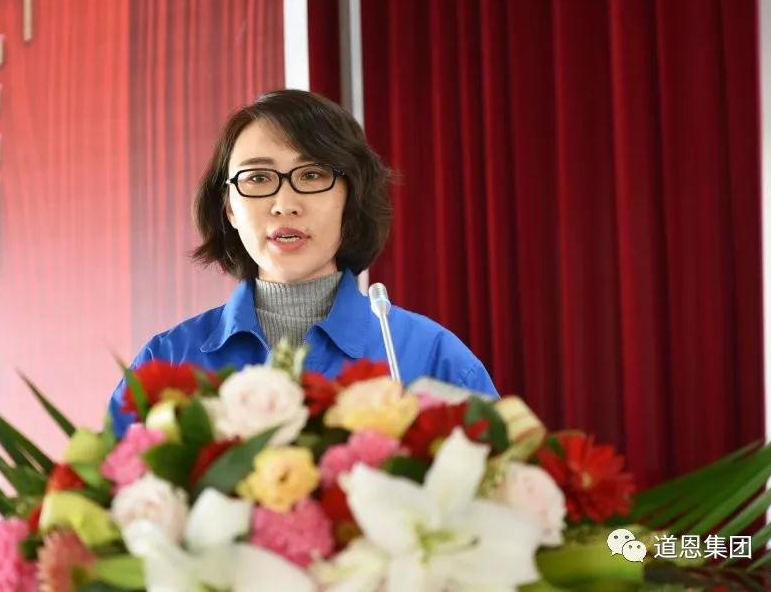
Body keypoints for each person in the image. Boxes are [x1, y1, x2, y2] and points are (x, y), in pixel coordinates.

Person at [109, 89, 496, 436]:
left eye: (312, 175)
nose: (284, 205)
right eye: (258, 178)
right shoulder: (167, 363)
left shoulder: (432, 358)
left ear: (351, 199)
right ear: (229, 208)